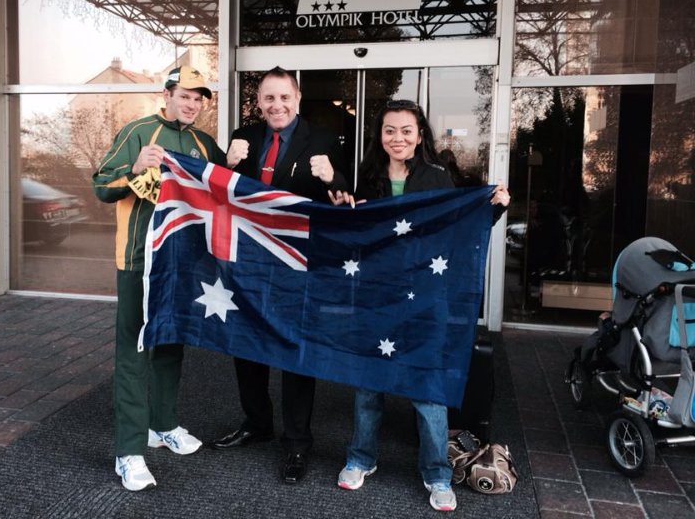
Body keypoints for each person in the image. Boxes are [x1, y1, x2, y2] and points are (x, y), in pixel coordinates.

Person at [329, 99, 510, 513]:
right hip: (377, 295)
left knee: (428, 389)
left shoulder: (437, 177)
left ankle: (437, 473)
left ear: (419, 135)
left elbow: (460, 227)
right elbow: (356, 235)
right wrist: (343, 213)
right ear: (379, 135)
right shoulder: (367, 178)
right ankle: (361, 458)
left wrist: (496, 206)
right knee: (368, 384)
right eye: (389, 130)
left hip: (426, 297)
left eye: (406, 130)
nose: (398, 138)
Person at [93, 65, 244, 491]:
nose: (192, 104)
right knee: (134, 351)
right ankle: (128, 451)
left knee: (171, 343)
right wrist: (134, 168)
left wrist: (231, 164)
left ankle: (162, 425)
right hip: (138, 260)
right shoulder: (139, 131)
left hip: (181, 261)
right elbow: (101, 186)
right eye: (185, 96)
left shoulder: (203, 142)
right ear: (167, 95)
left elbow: (219, 190)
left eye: (198, 99)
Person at [211, 66, 349, 484]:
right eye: (269, 98)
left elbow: (344, 200)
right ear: (258, 102)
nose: (277, 106)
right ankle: (257, 423)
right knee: (247, 346)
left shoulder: (323, 140)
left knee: (294, 351)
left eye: (284, 97)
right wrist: (224, 163)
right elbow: (215, 192)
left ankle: (297, 442)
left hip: (297, 265)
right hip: (249, 264)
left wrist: (333, 177)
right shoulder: (244, 137)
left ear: (298, 98)